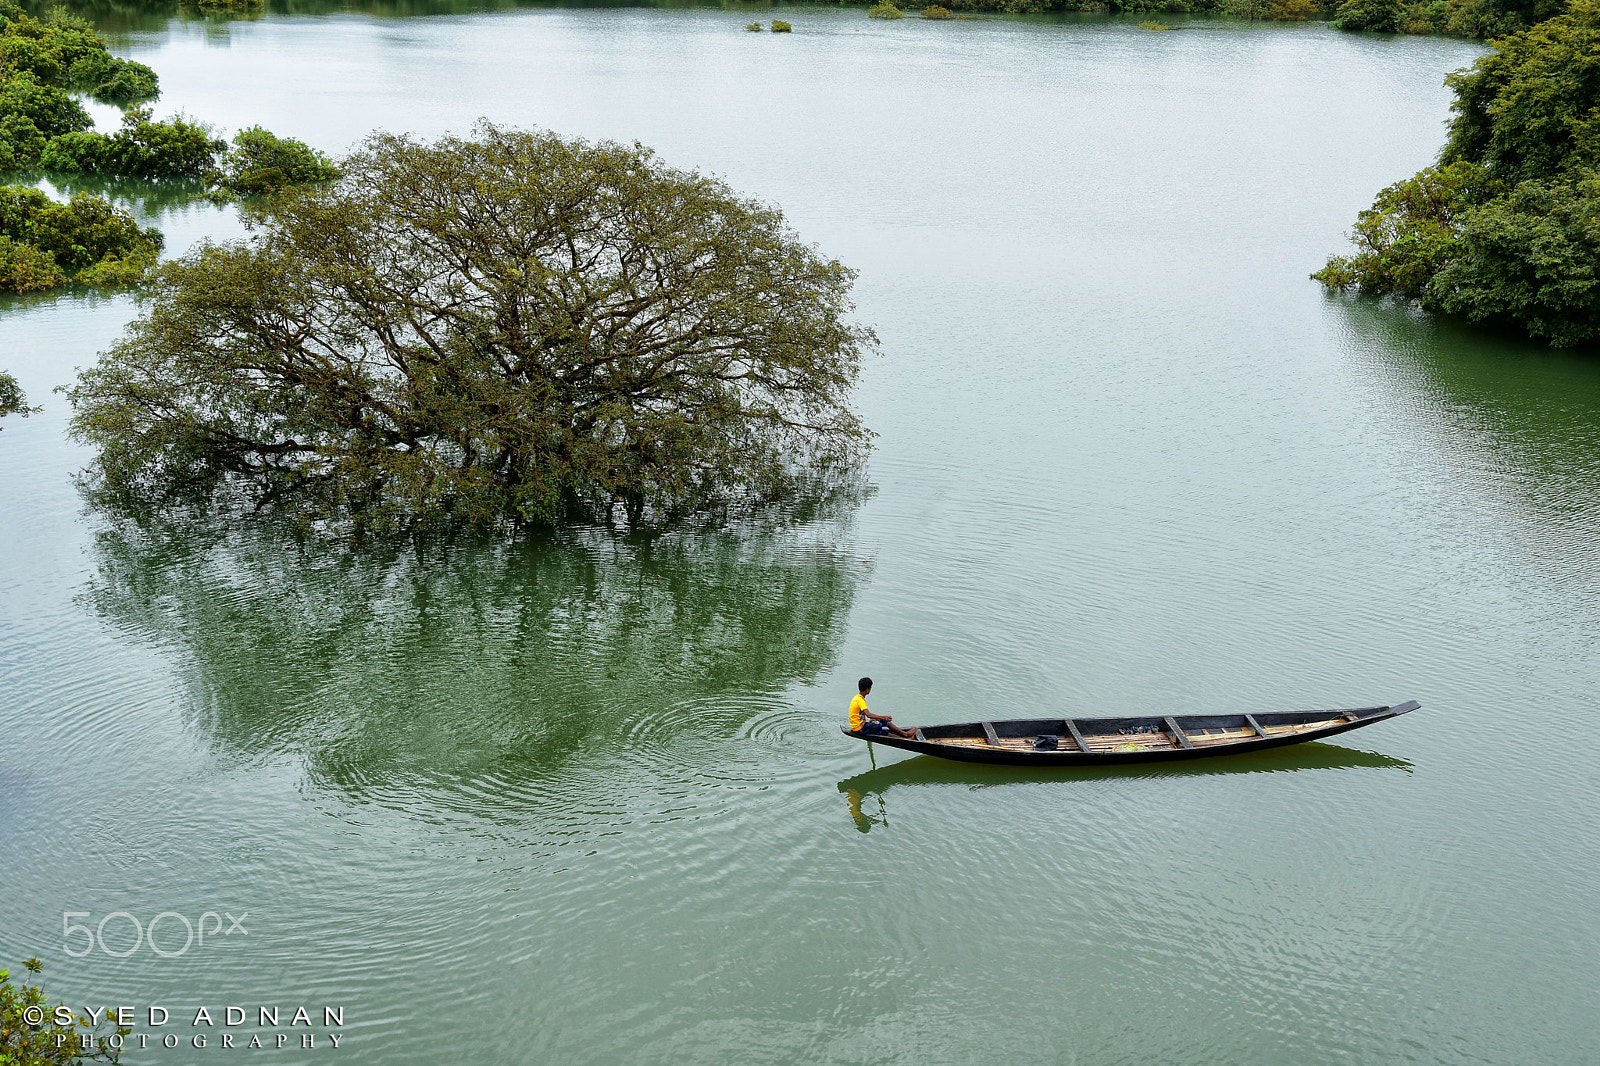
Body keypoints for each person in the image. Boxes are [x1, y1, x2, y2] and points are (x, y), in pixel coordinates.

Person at [848, 677, 915, 739]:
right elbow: (868, 714)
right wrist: (884, 717)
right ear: (867, 689)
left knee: (882, 732)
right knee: (885, 721)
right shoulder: (861, 701)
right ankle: (905, 734)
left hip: (856, 728)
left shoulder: (856, 698)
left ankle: (905, 739)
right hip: (862, 729)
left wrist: (876, 718)